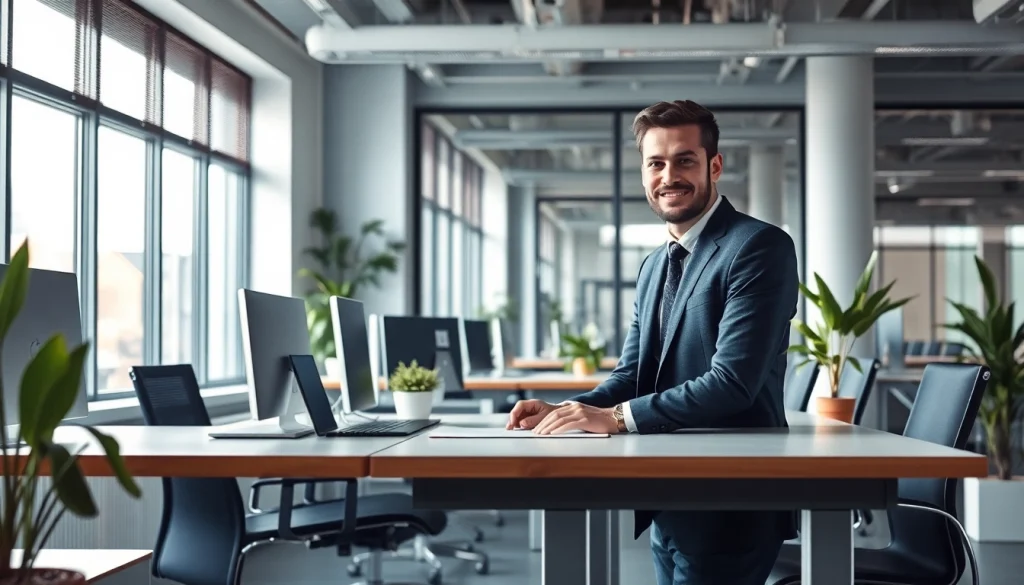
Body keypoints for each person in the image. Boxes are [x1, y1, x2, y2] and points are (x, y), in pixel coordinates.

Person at [506, 100, 799, 585]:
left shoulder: (758, 247)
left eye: (685, 160)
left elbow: (731, 383)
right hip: (668, 490)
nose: (670, 176)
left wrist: (616, 418)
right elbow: (632, 374)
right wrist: (567, 410)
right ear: (643, 174)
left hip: (730, 499)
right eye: (656, 163)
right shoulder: (653, 266)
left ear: (715, 165)